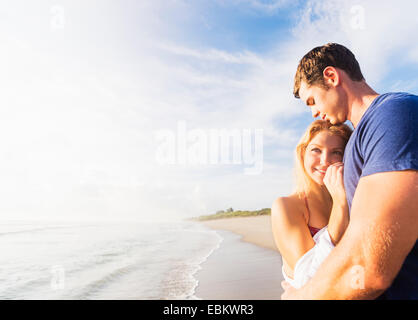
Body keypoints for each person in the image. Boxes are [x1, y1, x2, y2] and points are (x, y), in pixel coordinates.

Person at [281, 43, 417, 299]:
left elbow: (370, 265)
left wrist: (302, 296)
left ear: (331, 77)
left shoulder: (393, 114)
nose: (313, 113)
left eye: (312, 100)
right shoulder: (358, 137)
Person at [271, 120, 352, 289]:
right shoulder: (286, 206)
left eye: (336, 152)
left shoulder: (355, 200)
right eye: (316, 150)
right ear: (302, 154)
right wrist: (340, 202)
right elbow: (309, 280)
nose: (325, 161)